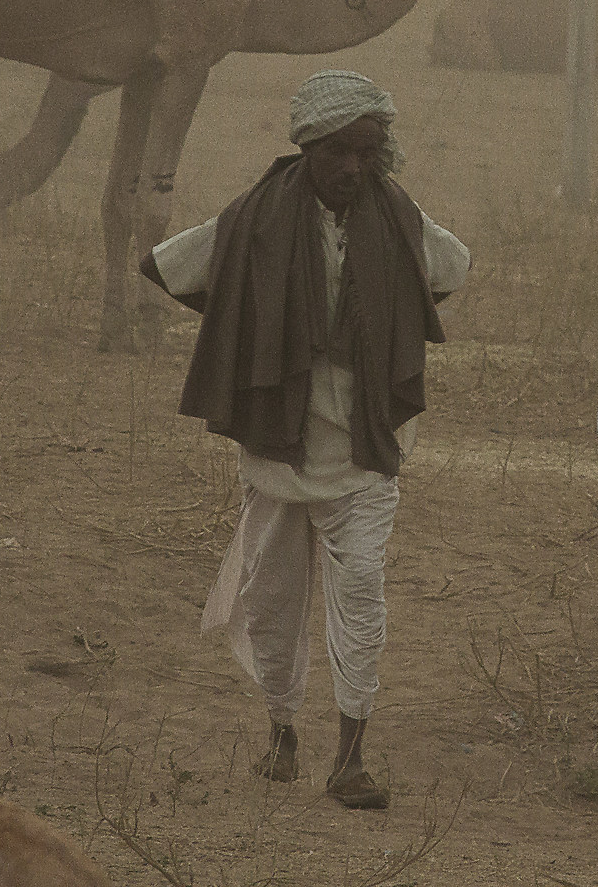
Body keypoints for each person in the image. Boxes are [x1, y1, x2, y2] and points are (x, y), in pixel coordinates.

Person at [150, 71, 470, 811]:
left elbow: (451, 270)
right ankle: (281, 732)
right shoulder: (256, 214)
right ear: (306, 149)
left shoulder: (397, 215)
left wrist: (381, 320)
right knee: (272, 597)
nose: (352, 168)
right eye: (336, 152)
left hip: (364, 447)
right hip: (275, 441)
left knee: (361, 594)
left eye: (366, 151)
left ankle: (350, 759)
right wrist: (245, 320)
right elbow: (169, 264)